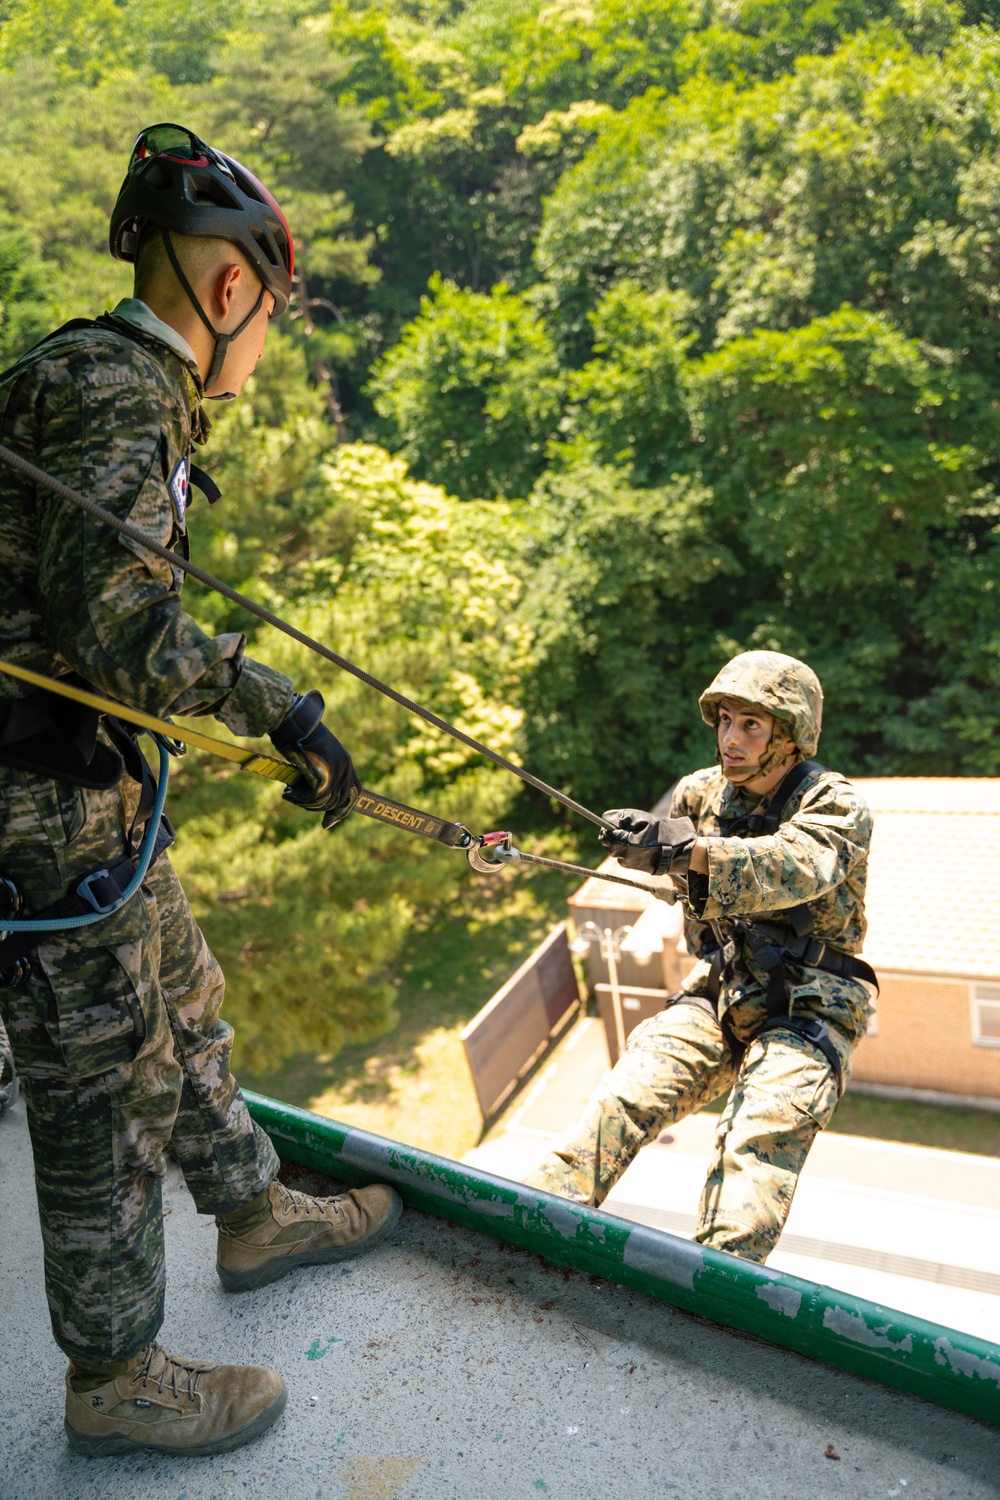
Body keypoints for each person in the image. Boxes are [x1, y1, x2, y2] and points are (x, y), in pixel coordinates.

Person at [0, 123, 402, 1458]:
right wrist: (279, 707)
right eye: (271, 315)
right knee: (102, 1084)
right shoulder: (120, 390)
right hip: (38, 824)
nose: (264, 344)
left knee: (180, 989)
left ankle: (248, 1208)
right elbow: (118, 619)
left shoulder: (97, 378)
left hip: (87, 800)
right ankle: (113, 1379)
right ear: (233, 292)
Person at [524, 650, 875, 1264]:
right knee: (623, 1097)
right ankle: (531, 1216)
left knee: (753, 1148)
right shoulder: (700, 795)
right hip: (721, 989)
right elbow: (683, 876)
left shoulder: (834, 805)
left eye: (751, 726)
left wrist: (689, 852)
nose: (730, 739)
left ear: (790, 737)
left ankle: (720, 1292)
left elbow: (796, 865)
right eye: (724, 721)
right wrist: (650, 849)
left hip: (812, 1003)